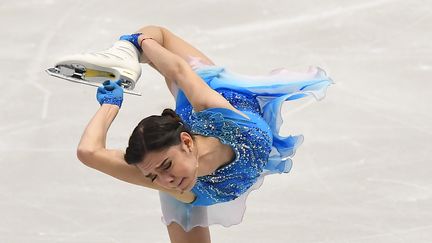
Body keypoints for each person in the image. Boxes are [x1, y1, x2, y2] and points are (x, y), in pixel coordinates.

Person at [73, 25, 332, 243]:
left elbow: (179, 71)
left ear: (186, 142)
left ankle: (126, 50)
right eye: (153, 175)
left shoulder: (223, 118)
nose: (166, 181)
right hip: (192, 187)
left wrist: (137, 41)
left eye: (166, 165)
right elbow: (88, 152)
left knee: (155, 38)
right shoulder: (172, 185)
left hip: (222, 95)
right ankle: (129, 52)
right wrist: (110, 104)